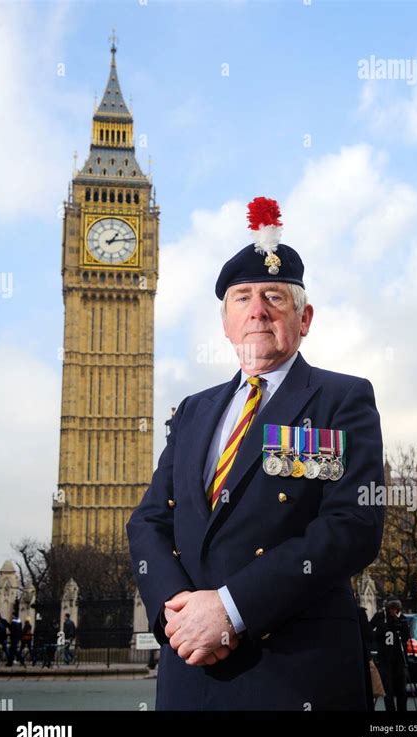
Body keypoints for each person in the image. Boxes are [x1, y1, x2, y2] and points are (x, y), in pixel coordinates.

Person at [127, 197, 385, 711]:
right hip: (191, 673)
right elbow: (148, 522)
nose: (257, 310)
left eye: (274, 297)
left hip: (295, 677)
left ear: (304, 317)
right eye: (242, 298)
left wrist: (230, 609)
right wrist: (176, 614)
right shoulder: (193, 411)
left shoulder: (342, 399)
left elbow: (351, 527)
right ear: (226, 322)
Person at [371, 598, 410, 712]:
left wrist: (399, 626)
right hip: (385, 659)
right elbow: (369, 630)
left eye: (396, 609)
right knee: (388, 690)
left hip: (399, 660)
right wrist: (378, 635)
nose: (393, 611)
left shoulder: (401, 619)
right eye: (391, 609)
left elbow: (406, 637)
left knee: (401, 691)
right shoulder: (380, 617)